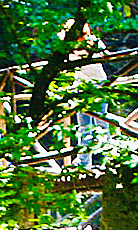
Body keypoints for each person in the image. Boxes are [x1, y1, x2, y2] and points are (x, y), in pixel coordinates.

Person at [58, 20, 109, 168]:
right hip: (81, 87)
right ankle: (84, 161)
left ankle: (110, 157)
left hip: (98, 84)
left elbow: (106, 55)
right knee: (84, 126)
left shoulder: (93, 42)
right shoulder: (68, 47)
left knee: (102, 122)